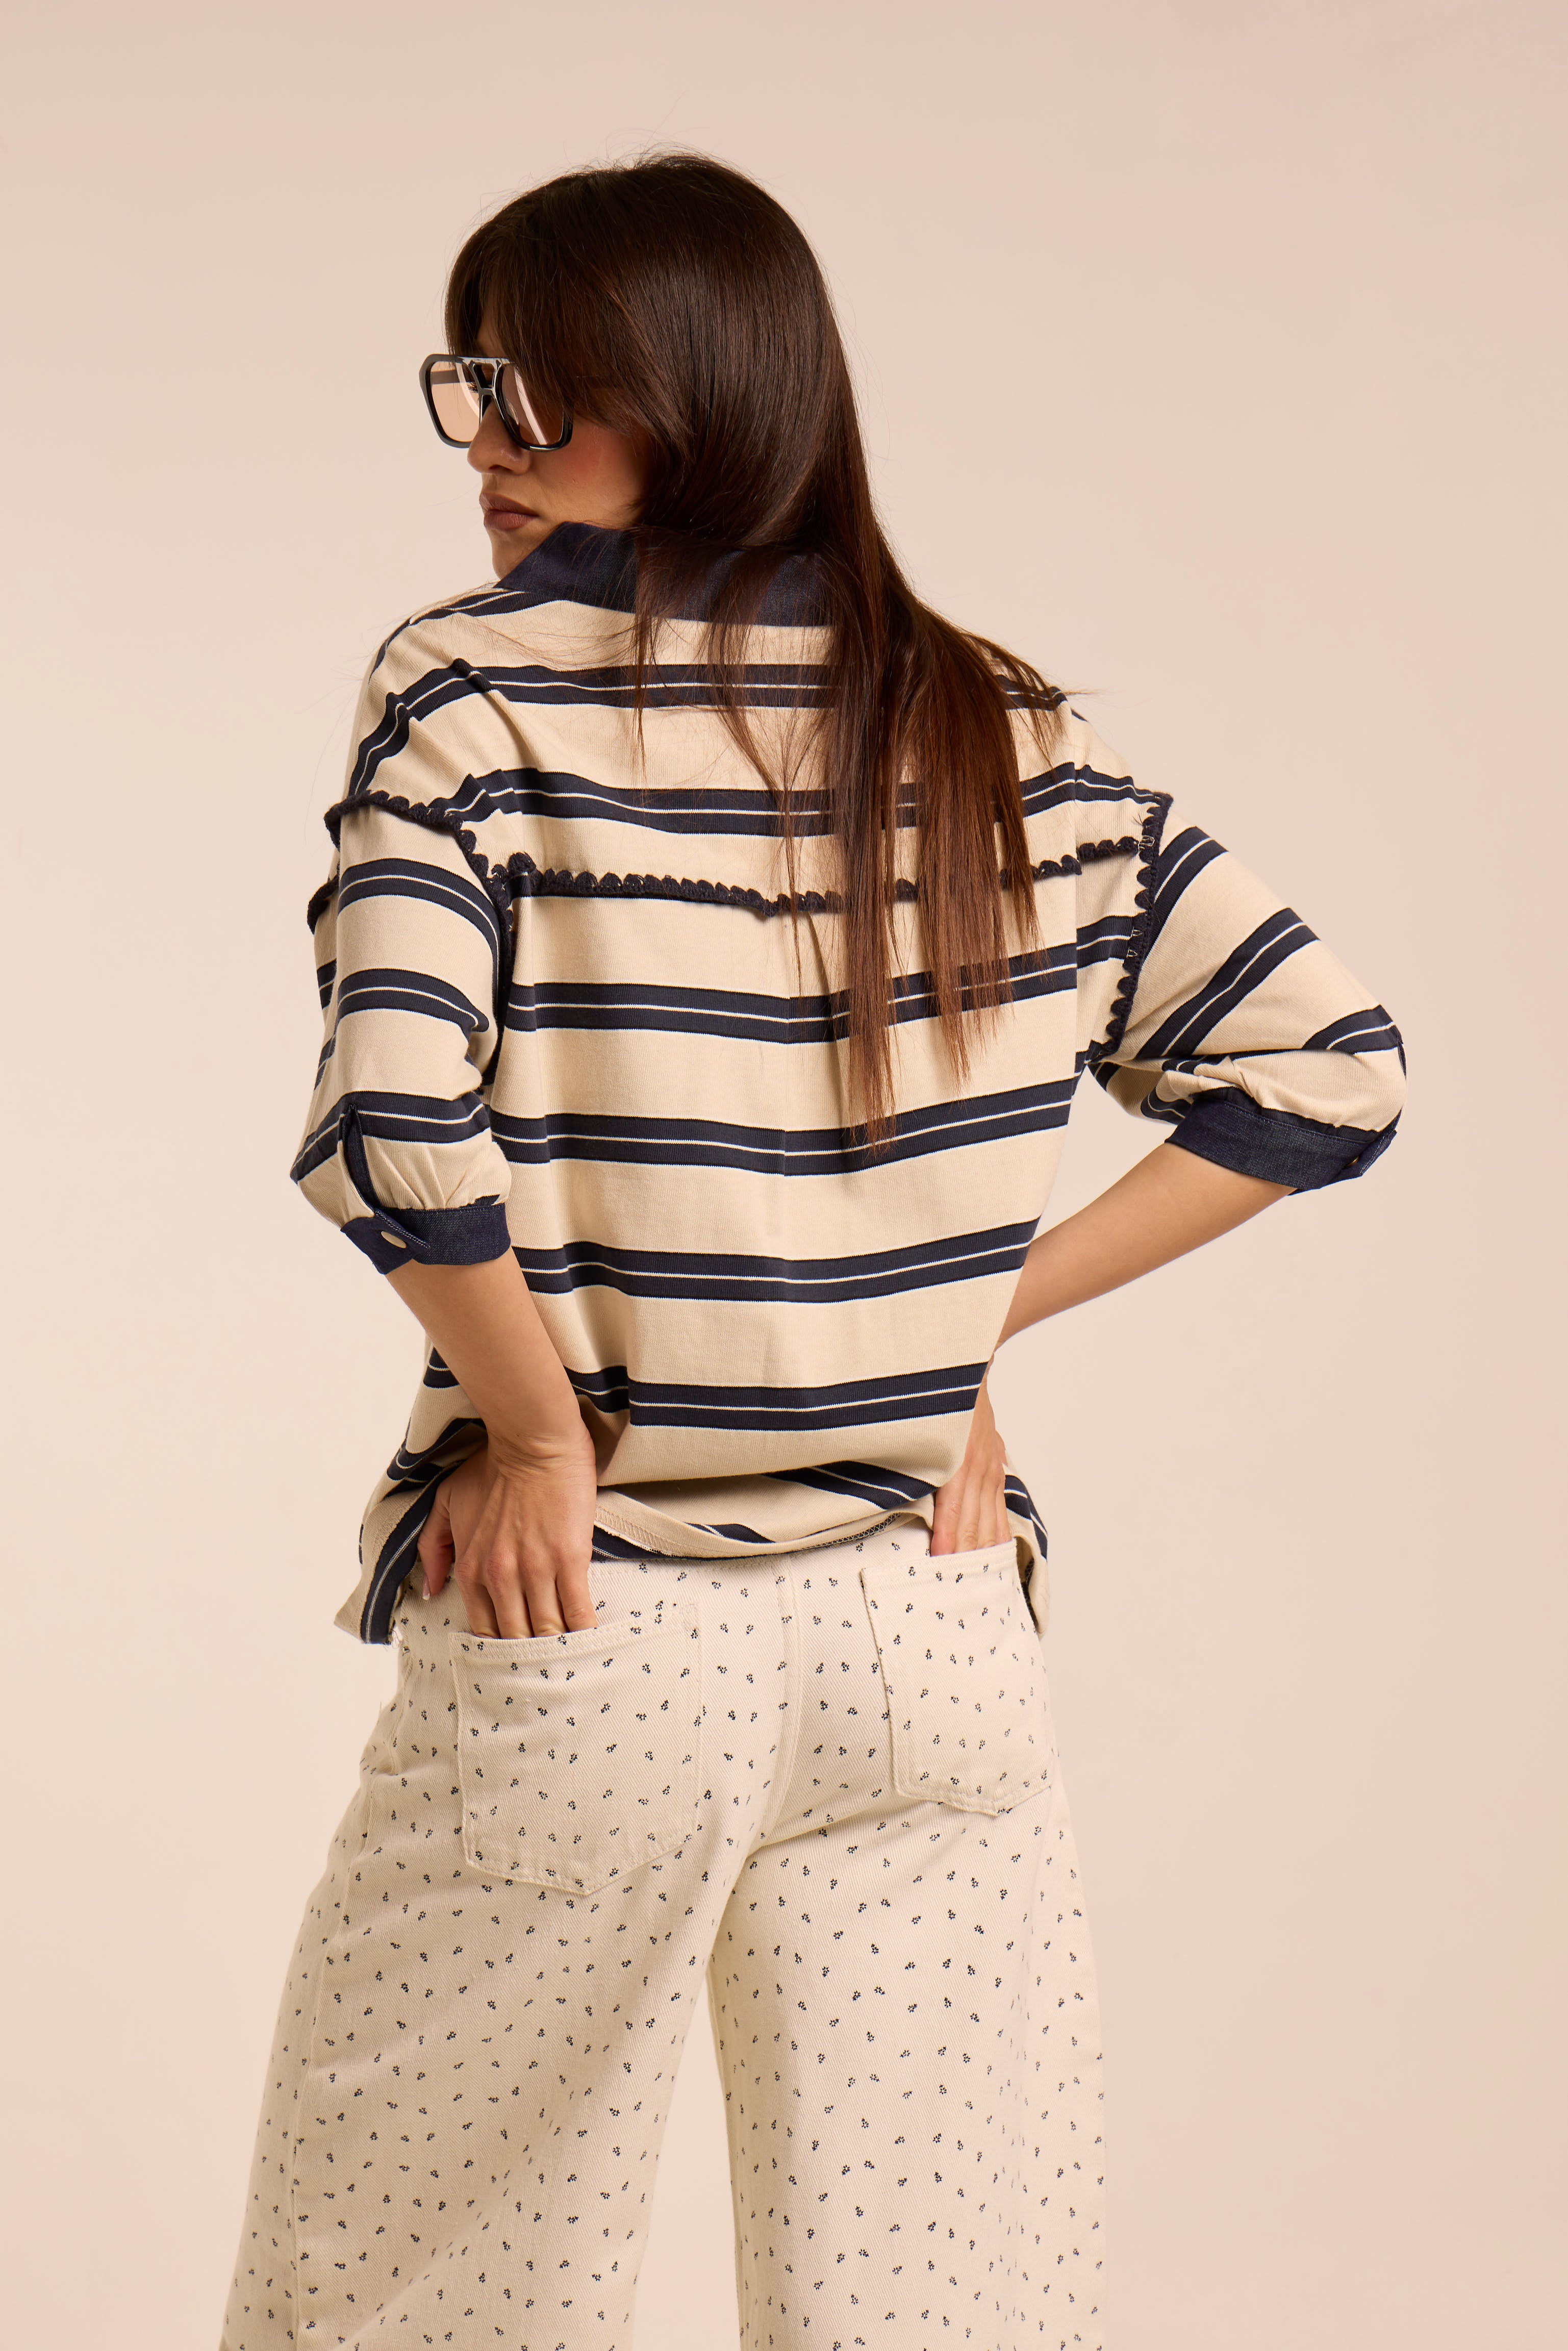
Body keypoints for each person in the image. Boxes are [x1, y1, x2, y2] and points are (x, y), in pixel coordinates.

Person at [220, 152, 1405, 2351]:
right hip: (930, 1633)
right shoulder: (1000, 721)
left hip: (596, 1614)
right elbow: (1326, 1061)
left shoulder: (475, 692)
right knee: (947, 2313)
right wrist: (939, 1337)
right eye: (466, 385)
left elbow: (392, 1116)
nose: (482, 445)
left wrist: (537, 1432)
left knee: (417, 2300)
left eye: (529, 392)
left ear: (696, 396)